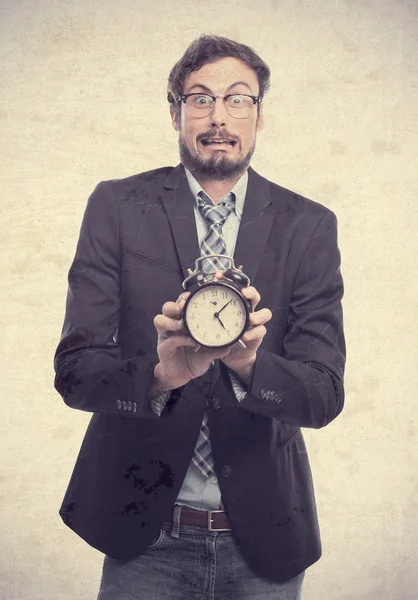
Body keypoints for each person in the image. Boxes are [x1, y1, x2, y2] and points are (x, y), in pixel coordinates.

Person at [53, 34, 346, 600]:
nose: (219, 117)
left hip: (266, 537)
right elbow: (74, 370)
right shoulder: (116, 207)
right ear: (174, 111)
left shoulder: (307, 225)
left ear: (259, 114)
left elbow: (324, 393)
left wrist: (249, 365)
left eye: (239, 99)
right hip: (145, 536)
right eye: (200, 98)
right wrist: (161, 377)